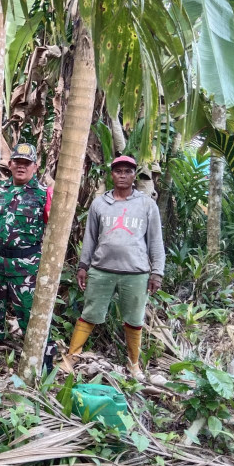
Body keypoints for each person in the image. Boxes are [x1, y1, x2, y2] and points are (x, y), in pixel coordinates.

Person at [60, 155, 165, 380]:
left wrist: (157, 272)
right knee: (89, 314)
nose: (123, 175)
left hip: (136, 273)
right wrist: (83, 265)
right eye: (119, 171)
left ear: (134, 175)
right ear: (112, 174)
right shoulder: (100, 203)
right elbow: (90, 237)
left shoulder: (146, 204)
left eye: (128, 171)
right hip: (101, 270)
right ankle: (72, 357)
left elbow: (155, 240)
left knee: (134, 320)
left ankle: (133, 365)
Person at [0, 142, 55, 370]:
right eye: (17, 162)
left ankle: (43, 361)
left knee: (30, 314)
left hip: (27, 266)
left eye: (26, 163)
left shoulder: (43, 195)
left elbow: (56, 233)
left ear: (35, 166)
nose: (21, 167)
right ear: (10, 164)